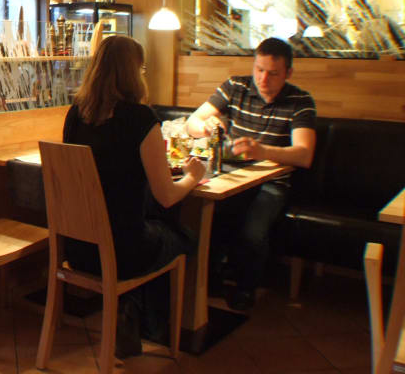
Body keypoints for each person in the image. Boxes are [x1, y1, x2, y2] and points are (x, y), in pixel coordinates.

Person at [63, 36, 205, 357]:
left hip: (78, 249)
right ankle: (152, 324)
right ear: (133, 73)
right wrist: (193, 177)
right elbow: (167, 196)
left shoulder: (75, 114)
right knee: (183, 237)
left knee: (150, 227)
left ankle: (131, 309)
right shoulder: (140, 119)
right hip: (122, 254)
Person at [185, 37, 315, 311]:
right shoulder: (236, 86)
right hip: (229, 175)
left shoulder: (300, 101)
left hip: (271, 182)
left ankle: (246, 288)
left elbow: (304, 154)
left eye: (273, 73)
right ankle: (208, 281)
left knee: (252, 232)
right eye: (259, 69)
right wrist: (207, 127)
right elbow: (192, 122)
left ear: (288, 73)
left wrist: (262, 151)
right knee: (203, 218)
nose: (263, 79)